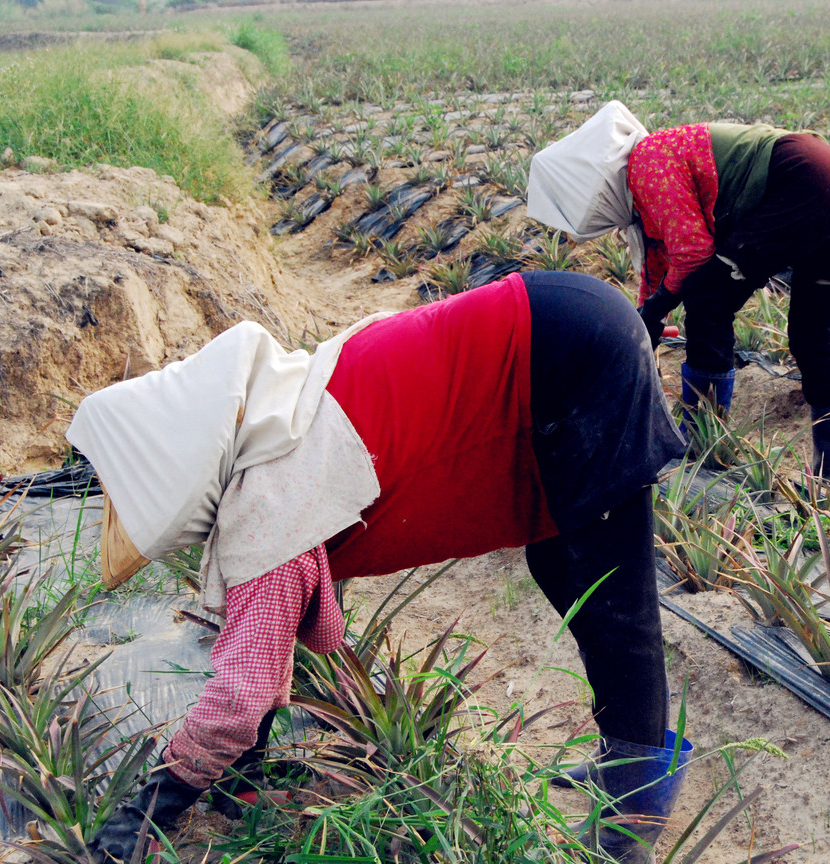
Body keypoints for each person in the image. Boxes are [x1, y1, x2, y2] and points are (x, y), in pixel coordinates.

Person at [67, 271, 692, 864]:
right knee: (561, 562)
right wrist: (245, 764)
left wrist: (152, 805)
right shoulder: (279, 415)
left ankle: (629, 822)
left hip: (569, 355)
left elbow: (244, 687)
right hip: (554, 319)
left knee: (612, 597)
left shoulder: (269, 504)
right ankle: (625, 761)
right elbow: (272, 638)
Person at [528, 101, 830, 479]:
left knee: (708, 299)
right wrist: (645, 322)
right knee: (811, 333)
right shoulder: (646, 187)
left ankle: (700, 437)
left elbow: (692, 253)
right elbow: (660, 266)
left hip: (802, 179)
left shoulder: (647, 160)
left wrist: (657, 308)